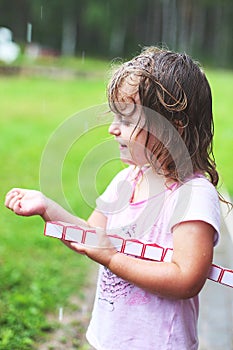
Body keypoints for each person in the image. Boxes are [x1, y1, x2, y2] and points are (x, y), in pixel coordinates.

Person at [5, 46, 221, 350]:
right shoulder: (127, 179)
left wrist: (112, 258)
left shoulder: (194, 196)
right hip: (110, 339)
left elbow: (186, 279)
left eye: (127, 120)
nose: (111, 128)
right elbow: (92, 236)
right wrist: (47, 208)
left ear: (173, 128)